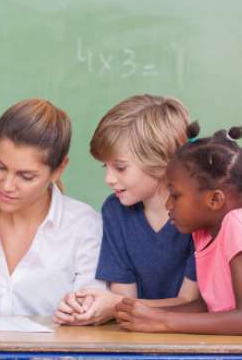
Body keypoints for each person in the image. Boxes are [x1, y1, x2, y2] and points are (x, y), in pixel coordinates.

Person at [115, 122, 242, 360]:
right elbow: (210, 306)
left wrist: (162, 321)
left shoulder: (240, 224)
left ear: (214, 200)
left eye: (175, 195)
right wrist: (145, 311)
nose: (168, 205)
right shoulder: (205, 231)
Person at [0, 98, 104, 315]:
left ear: (59, 169)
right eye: (0, 167)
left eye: (26, 176)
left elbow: (88, 307)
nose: (7, 185)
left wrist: (81, 311)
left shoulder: (84, 226)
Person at [55, 95, 198, 325]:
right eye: (106, 166)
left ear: (161, 161)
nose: (109, 179)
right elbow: (123, 300)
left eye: (120, 167)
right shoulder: (115, 212)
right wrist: (88, 307)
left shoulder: (198, 214)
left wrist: (115, 305)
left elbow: (191, 303)